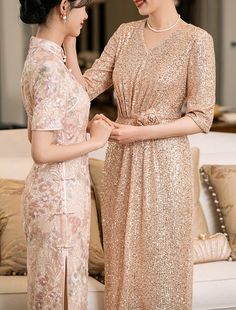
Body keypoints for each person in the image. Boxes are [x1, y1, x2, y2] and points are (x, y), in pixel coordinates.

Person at [64, 0, 216, 308]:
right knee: (123, 258)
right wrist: (68, 40)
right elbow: (84, 89)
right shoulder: (124, 34)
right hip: (122, 161)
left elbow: (202, 117)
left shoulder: (197, 40)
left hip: (167, 164)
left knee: (161, 262)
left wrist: (137, 132)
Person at [19, 0, 113, 309]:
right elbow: (41, 148)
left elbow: (79, 97)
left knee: (64, 293)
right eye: (82, 7)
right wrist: (94, 141)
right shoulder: (48, 68)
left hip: (62, 194)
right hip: (58, 198)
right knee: (58, 298)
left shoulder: (45, 57)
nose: (86, 15)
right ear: (63, 7)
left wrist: (70, 44)